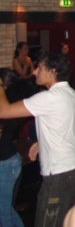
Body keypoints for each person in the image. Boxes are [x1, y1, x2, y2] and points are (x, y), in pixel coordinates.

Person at [0, 52, 75, 227]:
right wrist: (42, 143)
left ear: (52, 71)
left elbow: (4, 111)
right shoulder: (74, 95)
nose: (34, 72)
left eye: (39, 68)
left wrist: (0, 85)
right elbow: (67, 130)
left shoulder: (49, 98)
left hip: (58, 176)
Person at [0, 68, 29, 227]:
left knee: (3, 212)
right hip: (8, 162)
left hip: (6, 164)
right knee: (6, 210)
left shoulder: (7, 109)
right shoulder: (9, 105)